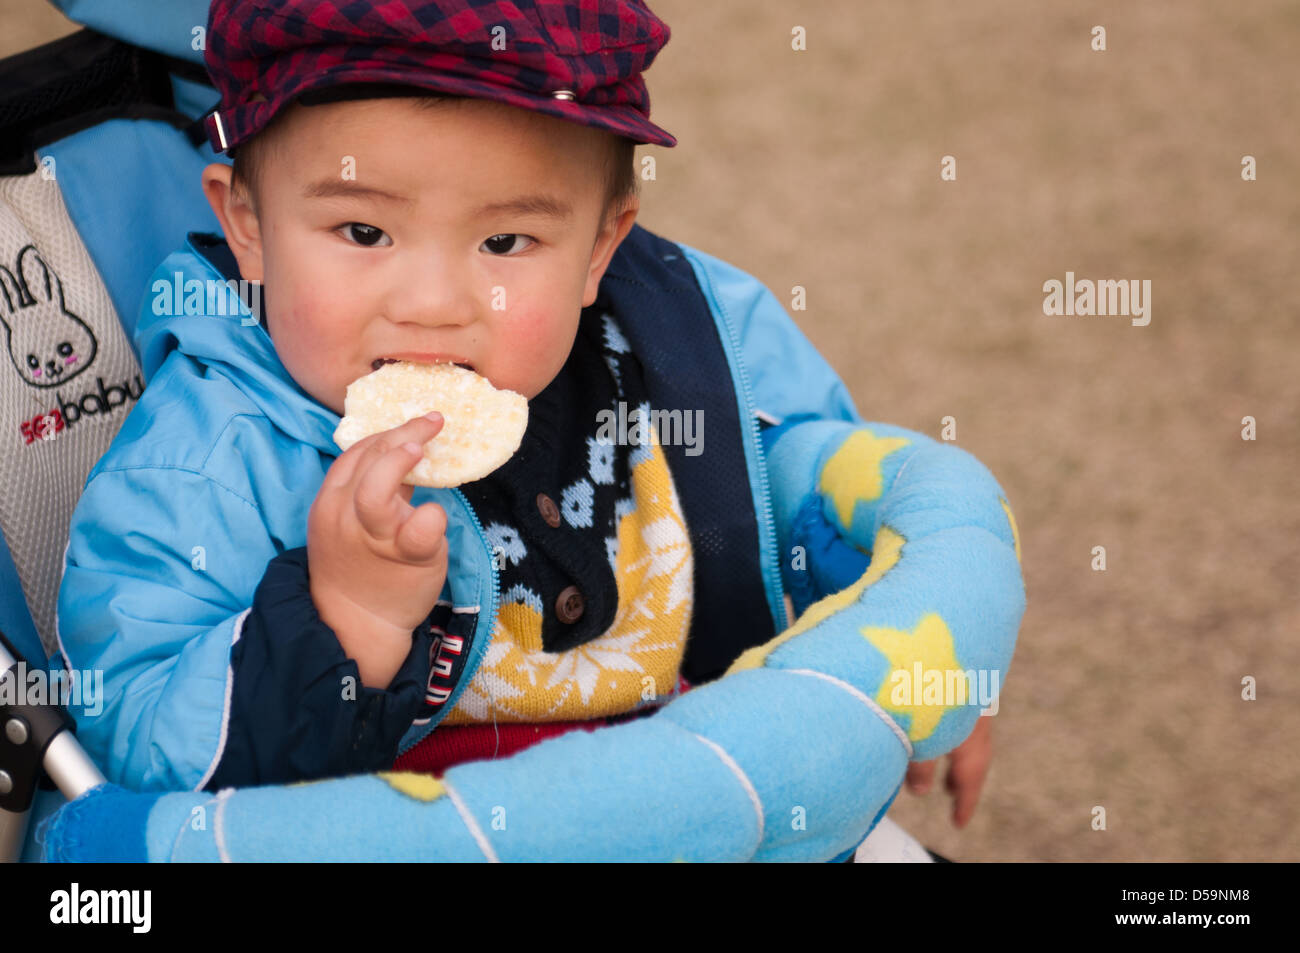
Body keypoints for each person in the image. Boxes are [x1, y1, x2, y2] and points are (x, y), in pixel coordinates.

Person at [54, 0, 1024, 856]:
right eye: (362, 233)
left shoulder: (680, 335)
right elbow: (140, 745)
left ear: (603, 243)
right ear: (248, 226)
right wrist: (346, 620)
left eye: (505, 241)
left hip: (706, 801)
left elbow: (810, 491)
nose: (433, 302)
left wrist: (919, 671)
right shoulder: (210, 456)